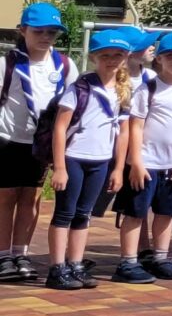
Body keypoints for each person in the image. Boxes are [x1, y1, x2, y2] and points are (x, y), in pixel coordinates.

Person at [44, 29, 137, 289]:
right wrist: (59, 167)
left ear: (125, 58)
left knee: (84, 214)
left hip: (101, 161)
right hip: (73, 158)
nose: (111, 60)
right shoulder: (80, 88)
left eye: (117, 55)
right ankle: (56, 268)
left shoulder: (123, 90)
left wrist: (118, 168)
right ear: (93, 57)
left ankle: (75, 263)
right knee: (65, 213)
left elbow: (123, 133)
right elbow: (60, 128)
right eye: (105, 55)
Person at [114, 32, 172, 283]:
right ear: (159, 59)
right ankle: (128, 261)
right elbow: (135, 126)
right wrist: (136, 162)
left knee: (166, 213)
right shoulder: (148, 89)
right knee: (135, 213)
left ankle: (160, 258)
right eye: (171, 55)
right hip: (146, 164)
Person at [0, 2, 74, 283]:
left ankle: (21, 254)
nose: (45, 37)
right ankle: (3, 255)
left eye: (51, 32)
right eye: (38, 31)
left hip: (41, 143)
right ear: (22, 30)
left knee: (31, 198)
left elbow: (71, 105)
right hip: (8, 139)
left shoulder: (64, 65)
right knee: (5, 197)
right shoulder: (7, 64)